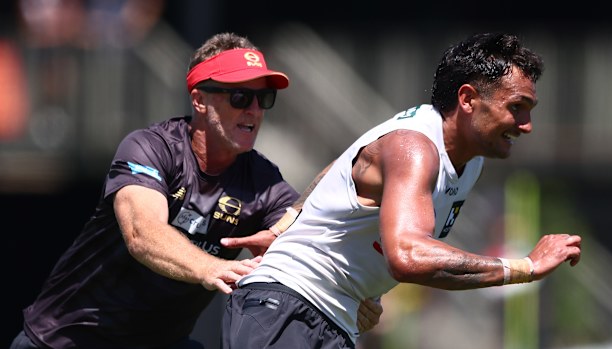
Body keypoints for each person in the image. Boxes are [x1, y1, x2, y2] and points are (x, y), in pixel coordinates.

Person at [10, 32, 382, 349]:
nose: (254, 110)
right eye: (240, 97)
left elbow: (315, 236)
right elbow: (143, 233)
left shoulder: (263, 182)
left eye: (263, 98)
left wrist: (357, 294)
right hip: (63, 340)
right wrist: (211, 268)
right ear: (200, 99)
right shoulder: (150, 147)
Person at [220, 32, 583, 348]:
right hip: (286, 306)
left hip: (328, 319)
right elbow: (407, 256)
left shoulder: (469, 159)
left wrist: (288, 223)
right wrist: (525, 267)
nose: (527, 125)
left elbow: (343, 165)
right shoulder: (414, 147)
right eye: (516, 108)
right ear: (468, 99)